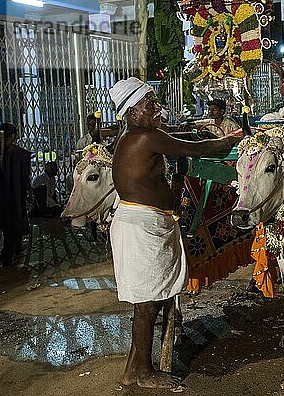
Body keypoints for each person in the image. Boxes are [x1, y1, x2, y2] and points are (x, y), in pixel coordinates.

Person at [108, 77, 240, 390]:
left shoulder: (137, 133)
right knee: (146, 306)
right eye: (149, 104)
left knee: (147, 303)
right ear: (132, 113)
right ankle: (143, 373)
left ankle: (133, 370)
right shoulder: (146, 136)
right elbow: (198, 149)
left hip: (146, 224)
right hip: (140, 228)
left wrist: (193, 131)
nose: (157, 108)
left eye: (155, 101)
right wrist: (231, 140)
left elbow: (177, 137)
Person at [0, 123, 31, 267]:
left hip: (1, 201)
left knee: (8, 230)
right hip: (15, 200)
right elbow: (24, 180)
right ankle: (8, 259)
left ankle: (11, 255)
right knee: (13, 230)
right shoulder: (21, 155)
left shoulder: (0, 154)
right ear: (14, 136)